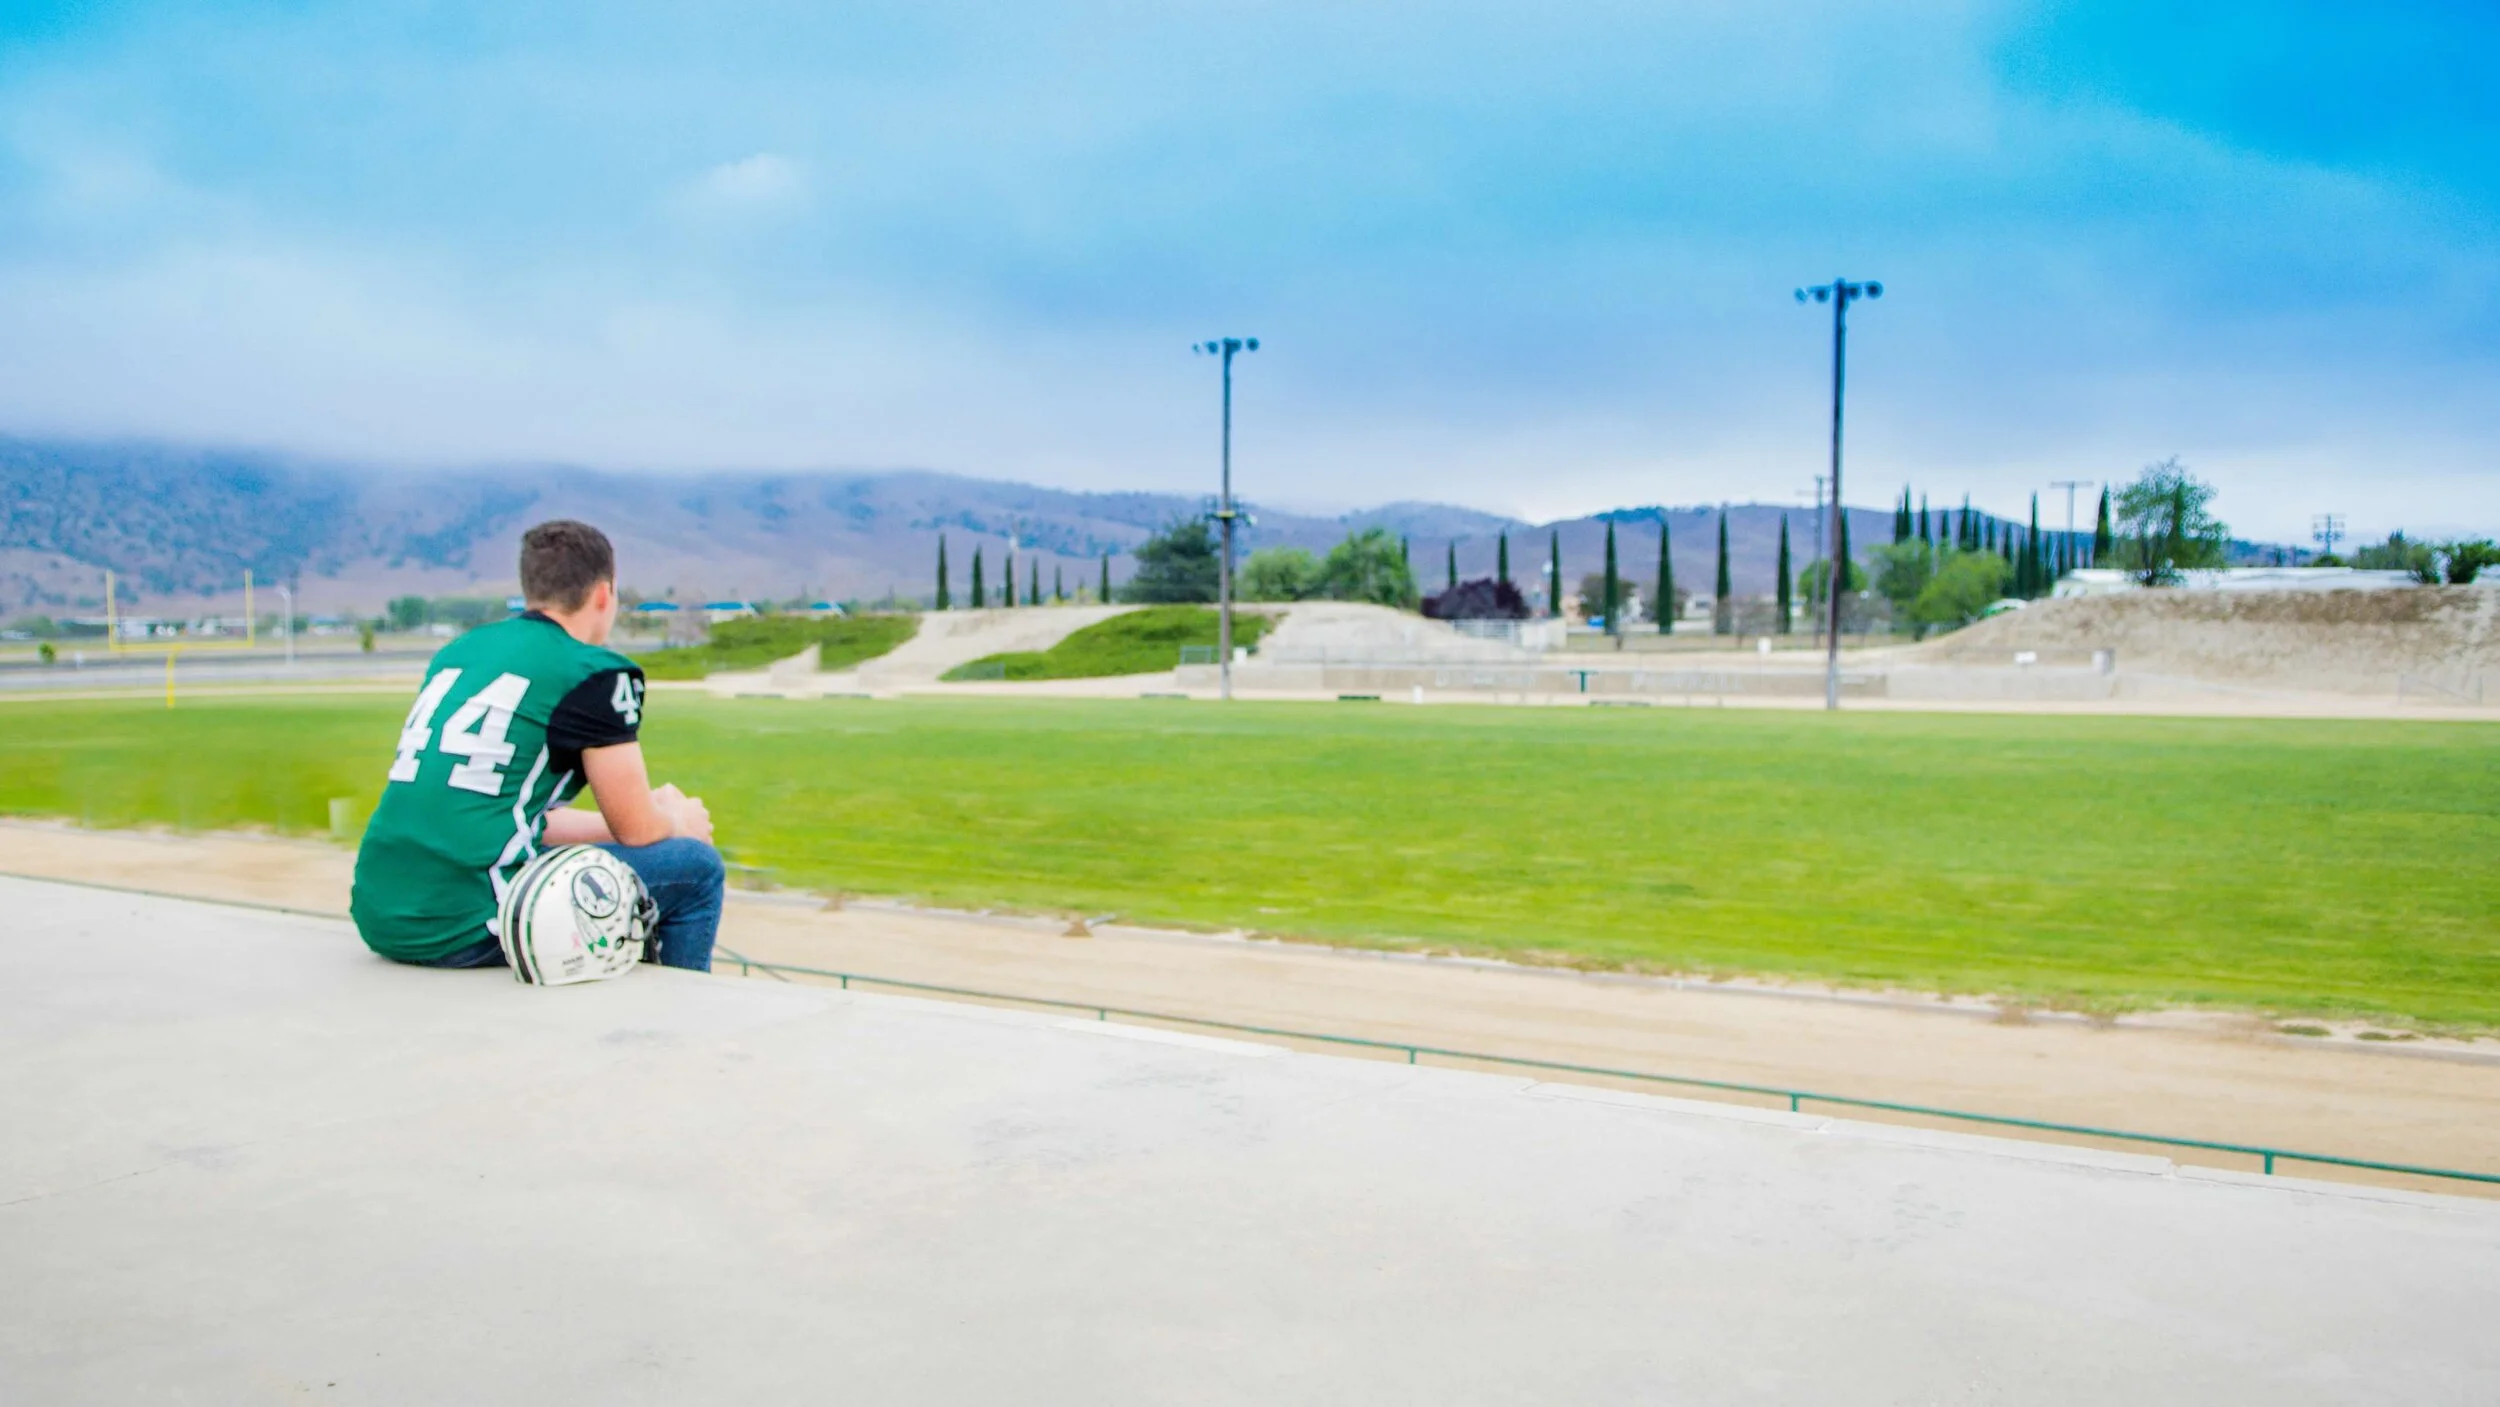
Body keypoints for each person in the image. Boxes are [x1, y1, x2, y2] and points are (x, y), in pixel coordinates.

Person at [351, 520, 724, 972]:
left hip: (383, 914)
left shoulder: (461, 652)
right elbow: (637, 831)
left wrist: (649, 811)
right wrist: (675, 818)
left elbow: (510, 814)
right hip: (464, 924)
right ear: (604, 595)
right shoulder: (596, 671)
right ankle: (682, 1021)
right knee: (696, 867)